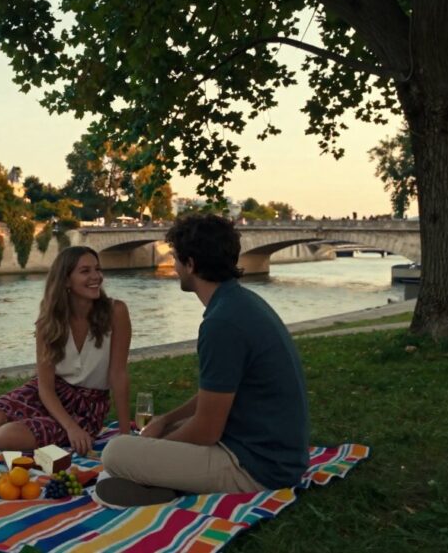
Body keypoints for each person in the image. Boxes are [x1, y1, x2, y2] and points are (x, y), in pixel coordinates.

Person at [97, 214, 309, 507]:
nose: (174, 267)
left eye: (176, 259)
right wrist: (166, 420)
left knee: (116, 453)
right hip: (272, 453)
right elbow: (215, 395)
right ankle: (166, 480)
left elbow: (207, 430)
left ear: (191, 264)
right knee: (166, 432)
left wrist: (153, 448)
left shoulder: (221, 323)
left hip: (255, 468)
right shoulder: (240, 302)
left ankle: (165, 485)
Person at [0, 246, 131, 455]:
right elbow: (45, 387)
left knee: (7, 436)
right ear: (66, 280)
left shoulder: (116, 312)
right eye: (85, 271)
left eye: (97, 269)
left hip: (86, 408)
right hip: (48, 395)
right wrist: (69, 428)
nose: (96, 276)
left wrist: (125, 434)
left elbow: (118, 375)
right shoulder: (49, 323)